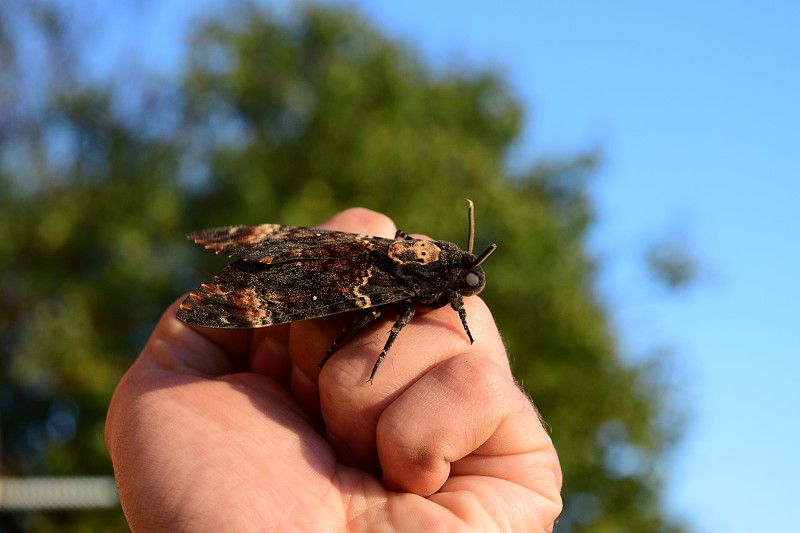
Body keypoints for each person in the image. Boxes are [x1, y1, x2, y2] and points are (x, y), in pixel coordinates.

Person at [105, 208, 562, 531]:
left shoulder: (440, 275)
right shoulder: (433, 284)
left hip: (347, 251)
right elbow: (415, 312)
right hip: (339, 278)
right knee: (372, 316)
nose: (467, 297)